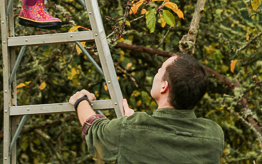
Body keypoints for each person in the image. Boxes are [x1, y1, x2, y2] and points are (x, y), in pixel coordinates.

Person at [69, 53, 224, 164]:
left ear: (164, 86)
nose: (156, 73)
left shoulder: (129, 130)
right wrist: (132, 124)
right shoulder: (214, 136)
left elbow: (94, 130)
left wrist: (80, 101)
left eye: (160, 70)